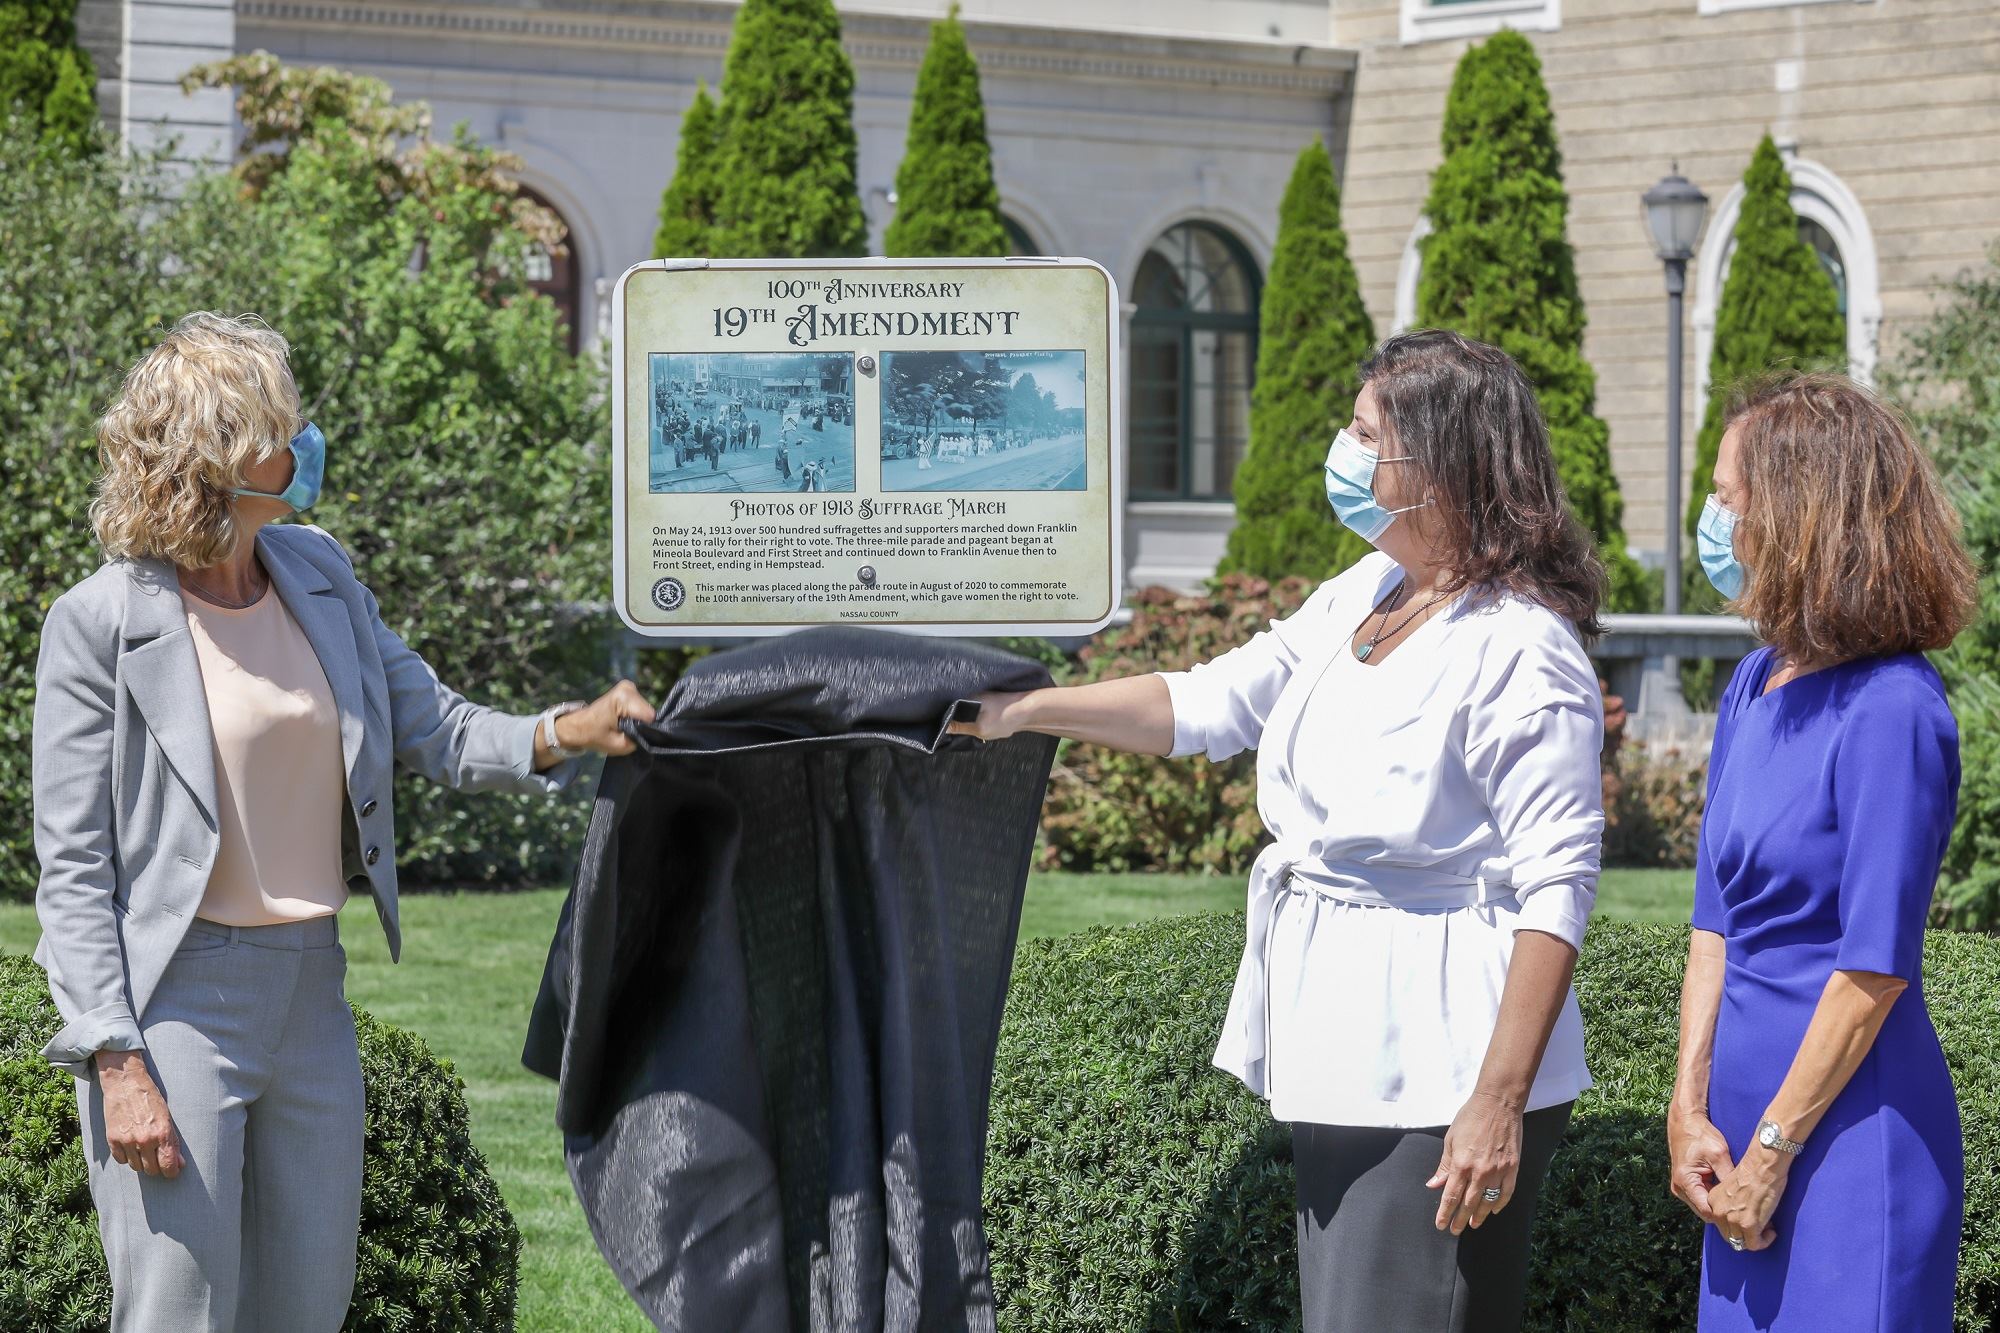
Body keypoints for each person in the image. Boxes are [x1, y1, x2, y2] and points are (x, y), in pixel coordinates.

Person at [951, 328, 1605, 1333]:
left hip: (1440, 1064)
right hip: (1348, 1041)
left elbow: (1555, 893)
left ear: (1438, 464)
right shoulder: (1369, 591)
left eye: (1362, 434)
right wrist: (1030, 709)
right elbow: (1208, 703)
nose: (1341, 453)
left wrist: (1495, 1101)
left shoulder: (1519, 649)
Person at [30, 312, 655, 1333]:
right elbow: (73, 864)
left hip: (311, 992)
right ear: (221, 453)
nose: (305, 441)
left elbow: (434, 724)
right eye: (286, 424)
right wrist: (115, 1058)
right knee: (176, 1313)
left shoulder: (317, 571)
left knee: (304, 1310)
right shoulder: (100, 621)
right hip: (176, 1002)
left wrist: (564, 730)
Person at [1666, 372, 1974, 1331]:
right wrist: (1686, 1108)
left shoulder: (1895, 708)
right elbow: (1715, 918)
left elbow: (1873, 970)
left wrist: (1770, 1152)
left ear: (1802, 516)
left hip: (1843, 1142)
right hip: (1738, 1135)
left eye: (1727, 497)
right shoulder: (1756, 678)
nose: (1710, 519)